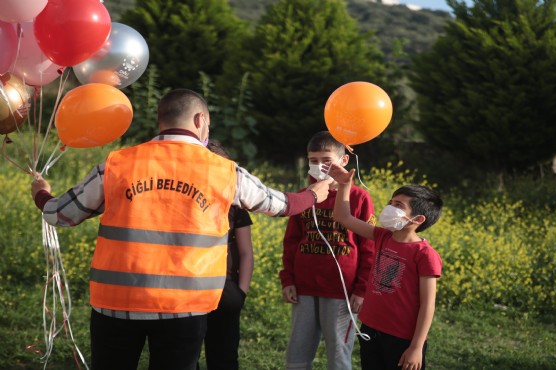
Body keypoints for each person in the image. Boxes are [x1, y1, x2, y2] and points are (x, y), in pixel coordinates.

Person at [29, 89, 332, 370]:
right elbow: (278, 204)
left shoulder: (117, 164)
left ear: (160, 120)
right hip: (184, 307)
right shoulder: (224, 171)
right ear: (201, 121)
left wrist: (41, 192)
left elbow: (59, 214)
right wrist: (314, 195)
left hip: (116, 304)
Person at [327, 163, 443, 370]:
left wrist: (416, 347)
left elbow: (428, 305)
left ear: (418, 219)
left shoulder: (426, 255)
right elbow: (343, 217)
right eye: (391, 202)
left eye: (398, 205)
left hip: (402, 339)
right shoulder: (383, 236)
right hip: (370, 330)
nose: (390, 207)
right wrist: (345, 185)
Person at [279, 131, 376, 370]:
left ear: (343, 161)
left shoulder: (359, 197)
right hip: (304, 287)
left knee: (338, 354)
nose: (319, 166)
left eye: (326, 160)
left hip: (342, 289)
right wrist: (288, 279)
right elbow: (291, 241)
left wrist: (362, 289)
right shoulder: (304, 195)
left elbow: (369, 246)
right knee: (297, 352)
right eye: (313, 160)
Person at [202, 141, 254, 370]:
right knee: (184, 354)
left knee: (223, 356)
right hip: (187, 290)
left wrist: (240, 292)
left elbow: (245, 252)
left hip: (226, 290)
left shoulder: (235, 205)